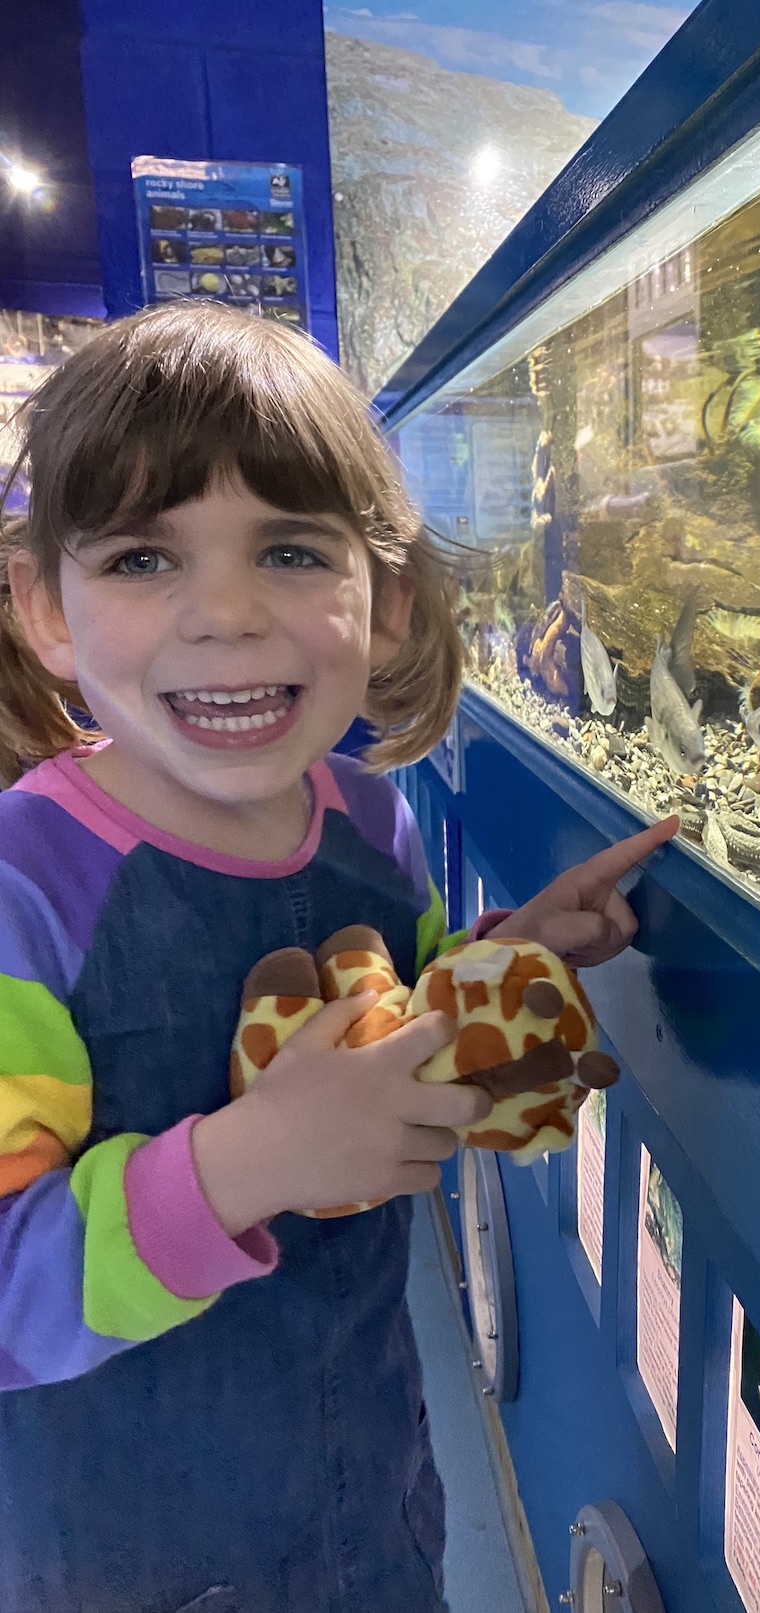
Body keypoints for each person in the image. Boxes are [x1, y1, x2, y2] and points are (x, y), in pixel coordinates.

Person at [0, 301, 677, 1613]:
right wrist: (245, 1162)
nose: (227, 614)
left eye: (293, 550)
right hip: (126, 1555)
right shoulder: (28, 888)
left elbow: (399, 1024)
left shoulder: (369, 821)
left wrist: (507, 960)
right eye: (144, 558)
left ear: (386, 602)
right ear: (47, 608)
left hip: (364, 1491)